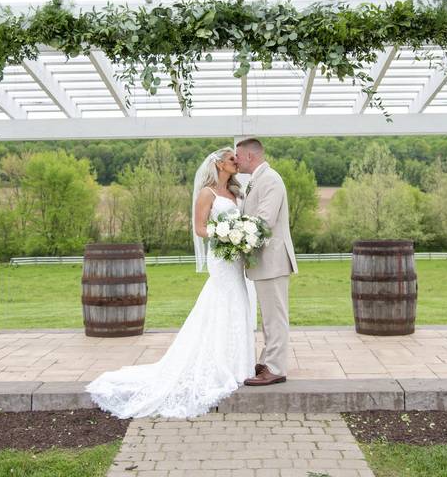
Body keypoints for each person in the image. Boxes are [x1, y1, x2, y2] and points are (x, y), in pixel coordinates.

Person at [86, 147, 256, 419]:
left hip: (234, 259)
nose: (236, 163)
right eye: (232, 159)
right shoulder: (207, 194)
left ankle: (239, 363)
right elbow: (200, 228)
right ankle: (220, 364)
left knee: (239, 302)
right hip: (221, 258)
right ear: (219, 165)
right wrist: (224, 232)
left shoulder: (235, 193)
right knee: (223, 301)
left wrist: (240, 235)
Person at [235, 137, 298, 386]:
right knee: (268, 317)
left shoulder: (271, 179)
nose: (236, 161)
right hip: (264, 262)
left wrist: (236, 237)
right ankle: (268, 360)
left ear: (250, 156)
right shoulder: (257, 180)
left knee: (275, 317)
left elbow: (265, 221)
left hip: (273, 260)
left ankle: (276, 368)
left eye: (238, 156)